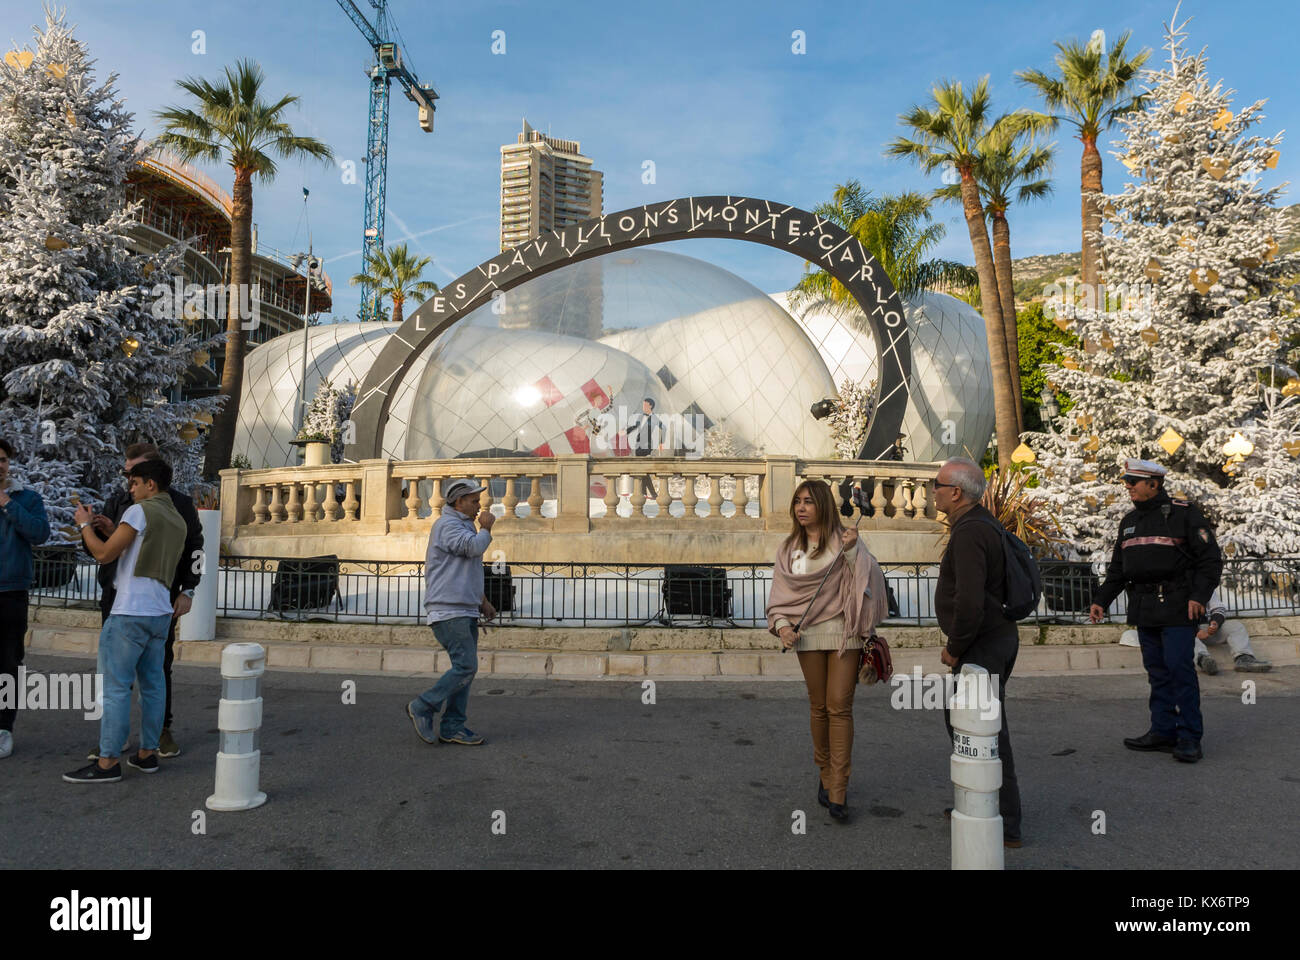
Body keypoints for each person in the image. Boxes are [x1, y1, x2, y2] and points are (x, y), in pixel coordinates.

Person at [766, 479, 889, 823]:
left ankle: (839, 787)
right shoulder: (788, 548)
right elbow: (779, 597)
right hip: (806, 636)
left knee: (839, 705)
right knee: (819, 707)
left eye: (808, 501)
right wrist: (783, 627)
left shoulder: (845, 539)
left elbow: (869, 584)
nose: (801, 508)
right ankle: (824, 772)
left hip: (843, 633)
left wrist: (853, 551)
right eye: (797, 502)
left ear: (823, 505)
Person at [1089, 459, 1222, 764]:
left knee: (1179, 671)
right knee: (1157, 673)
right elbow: (1118, 569)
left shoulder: (1183, 514)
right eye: (1127, 481)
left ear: (1154, 484)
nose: (1128, 486)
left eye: (1134, 481)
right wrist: (1102, 600)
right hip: (1145, 607)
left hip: (1177, 604)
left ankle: (1189, 737)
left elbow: (1210, 560)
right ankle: (1163, 731)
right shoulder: (1129, 521)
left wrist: (1199, 596)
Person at [65, 458, 188, 783]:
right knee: (153, 685)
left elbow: (104, 554)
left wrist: (84, 526)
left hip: (129, 611)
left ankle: (107, 762)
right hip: (160, 611)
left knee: (115, 688)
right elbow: (141, 550)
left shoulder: (138, 511)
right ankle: (147, 754)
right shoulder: (176, 518)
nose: (130, 489)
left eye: (135, 483)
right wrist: (112, 529)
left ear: (151, 484)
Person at [88, 442, 202, 760]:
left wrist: (189, 589)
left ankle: (118, 753)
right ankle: (135, 745)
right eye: (126, 473)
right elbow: (116, 545)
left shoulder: (171, 505)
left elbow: (195, 549)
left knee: (136, 676)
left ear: (150, 477)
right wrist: (110, 531)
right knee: (132, 678)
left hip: (143, 602)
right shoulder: (123, 500)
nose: (128, 479)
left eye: (133, 474)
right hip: (124, 598)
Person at [932, 456, 1023, 848]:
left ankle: (1002, 818)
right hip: (993, 640)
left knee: (984, 731)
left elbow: (969, 602)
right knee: (971, 725)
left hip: (981, 646)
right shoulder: (983, 524)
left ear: (955, 492)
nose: (931, 491)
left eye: (936, 484)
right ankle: (981, 802)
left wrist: (954, 647)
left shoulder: (970, 532)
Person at [406, 479, 498, 746]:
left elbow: (467, 568)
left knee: (465, 670)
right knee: (466, 666)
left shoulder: (462, 526)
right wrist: (487, 529)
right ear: (458, 502)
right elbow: (472, 548)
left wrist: (482, 601)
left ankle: (453, 726)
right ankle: (423, 706)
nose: (478, 505)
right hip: (448, 611)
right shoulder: (447, 526)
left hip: (463, 609)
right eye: (473, 500)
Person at [0, 438, 52, 760]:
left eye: (3, 459)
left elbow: (40, 533)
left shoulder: (27, 499)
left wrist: (7, 504)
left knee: (6, 663)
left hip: (10, 592)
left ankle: (4, 728)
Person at [1194, 590, 1270, 674]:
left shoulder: (1206, 587)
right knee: (1185, 634)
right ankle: (1203, 660)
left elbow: (1218, 609)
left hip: (1205, 628)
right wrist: (1195, 631)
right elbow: (1177, 619)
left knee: (1236, 626)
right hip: (1187, 629)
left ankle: (1243, 658)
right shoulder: (1179, 589)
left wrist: (1215, 623)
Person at [628, 398, 660, 499]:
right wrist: (626, 431)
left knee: (642, 470)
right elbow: (635, 426)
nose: (643, 407)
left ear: (650, 406)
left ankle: (647, 493)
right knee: (643, 471)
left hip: (646, 447)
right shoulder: (641, 417)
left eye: (645, 405)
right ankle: (648, 493)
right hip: (639, 446)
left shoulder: (655, 419)